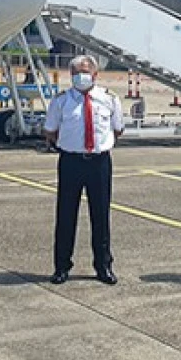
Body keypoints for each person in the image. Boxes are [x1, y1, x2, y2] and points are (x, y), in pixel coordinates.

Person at [44, 55, 124, 285]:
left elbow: (117, 129)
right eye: (77, 72)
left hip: (99, 162)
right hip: (71, 161)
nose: (81, 76)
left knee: (100, 215)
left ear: (96, 75)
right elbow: (51, 130)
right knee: (66, 215)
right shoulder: (61, 101)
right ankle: (61, 266)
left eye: (86, 71)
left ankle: (103, 265)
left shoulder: (109, 99)